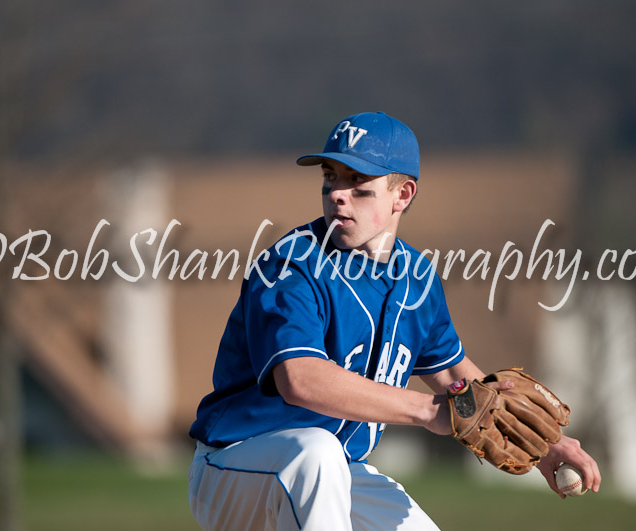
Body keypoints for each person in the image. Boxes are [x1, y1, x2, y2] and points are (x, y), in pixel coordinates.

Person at [188, 111, 601, 530]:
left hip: (336, 474)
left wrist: (546, 447)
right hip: (236, 466)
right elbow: (301, 379)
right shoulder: (291, 266)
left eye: (357, 184)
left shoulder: (416, 278)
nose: (338, 194)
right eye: (331, 177)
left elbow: (460, 381)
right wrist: (427, 410)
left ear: (401, 195)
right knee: (317, 453)